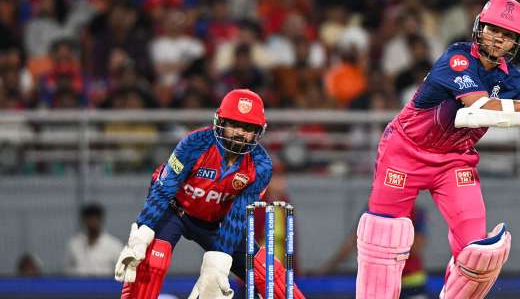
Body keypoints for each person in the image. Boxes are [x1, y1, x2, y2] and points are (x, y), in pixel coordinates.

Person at [355, 0, 520, 299]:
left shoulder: (513, 80)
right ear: (479, 27)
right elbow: (480, 107)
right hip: (405, 151)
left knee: (478, 255)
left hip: (454, 162)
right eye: (493, 29)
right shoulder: (457, 58)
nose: (498, 39)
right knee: (383, 240)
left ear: (516, 42)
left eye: (507, 34)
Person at [114, 89, 304, 299]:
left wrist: (217, 265)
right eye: (234, 124)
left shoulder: (261, 166)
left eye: (248, 128)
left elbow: (237, 216)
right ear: (220, 121)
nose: (240, 133)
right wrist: (142, 234)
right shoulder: (195, 143)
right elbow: (164, 188)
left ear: (258, 131)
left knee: (270, 276)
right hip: (175, 211)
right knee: (151, 262)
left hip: (218, 223)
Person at [316, 206, 428, 299]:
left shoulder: (415, 211)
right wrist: (328, 268)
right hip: (380, 282)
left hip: (410, 281)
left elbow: (416, 247)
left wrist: (390, 253)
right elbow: (353, 241)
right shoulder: (373, 208)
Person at [65, 203, 123, 276]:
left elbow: (122, 271)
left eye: (95, 218)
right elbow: (67, 270)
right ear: (83, 221)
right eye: (89, 218)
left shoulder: (114, 245)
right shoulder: (74, 245)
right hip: (79, 282)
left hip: (105, 283)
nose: (92, 222)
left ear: (101, 220)